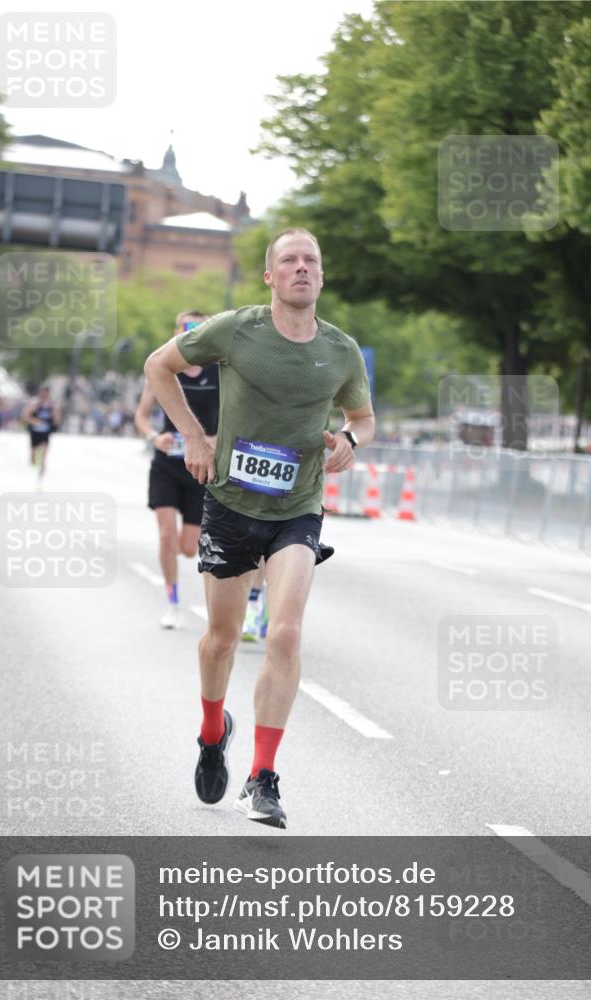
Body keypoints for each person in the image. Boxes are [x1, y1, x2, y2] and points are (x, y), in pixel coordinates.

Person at [144, 228, 375, 829]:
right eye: (289, 261)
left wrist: (349, 440)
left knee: (285, 634)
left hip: (298, 509)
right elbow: (158, 366)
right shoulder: (235, 329)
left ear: (321, 278)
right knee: (220, 640)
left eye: (311, 261)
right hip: (229, 504)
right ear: (270, 277)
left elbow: (364, 418)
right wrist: (194, 435)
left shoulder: (341, 351)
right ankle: (211, 730)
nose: (301, 268)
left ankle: (262, 777)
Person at [135, 311, 219, 629]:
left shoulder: (220, 373)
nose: (193, 335)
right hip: (168, 464)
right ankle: (172, 602)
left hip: (201, 469)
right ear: (177, 333)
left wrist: (214, 438)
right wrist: (154, 437)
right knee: (167, 535)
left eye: (200, 329)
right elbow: (141, 416)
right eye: (187, 329)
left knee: (188, 547)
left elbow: (235, 418)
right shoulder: (163, 370)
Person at [21, 383, 61, 483]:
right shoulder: (34, 403)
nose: (45, 394)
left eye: (47, 392)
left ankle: (40, 476)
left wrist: (54, 423)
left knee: (43, 454)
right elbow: (25, 416)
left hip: (45, 433)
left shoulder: (52, 405)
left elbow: (57, 419)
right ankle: (35, 464)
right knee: (33, 458)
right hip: (35, 432)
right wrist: (35, 421)